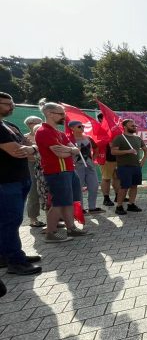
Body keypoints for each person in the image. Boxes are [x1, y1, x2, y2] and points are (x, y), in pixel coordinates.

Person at [0, 92, 42, 275]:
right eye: (7, 103)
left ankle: (8, 254)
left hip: (20, 178)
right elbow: (17, 151)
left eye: (12, 103)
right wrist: (31, 148)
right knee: (10, 221)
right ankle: (15, 262)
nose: (12, 106)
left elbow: (30, 147)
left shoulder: (9, 125)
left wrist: (31, 148)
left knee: (12, 220)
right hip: (5, 181)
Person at [34, 100, 88, 242]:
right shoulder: (43, 131)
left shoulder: (59, 133)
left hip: (69, 170)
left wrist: (69, 150)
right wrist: (71, 151)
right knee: (58, 203)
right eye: (61, 114)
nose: (64, 116)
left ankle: (71, 229)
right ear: (49, 114)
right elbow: (61, 153)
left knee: (68, 201)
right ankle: (50, 233)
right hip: (57, 172)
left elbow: (72, 149)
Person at [111, 118, 147, 216]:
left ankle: (131, 204)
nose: (134, 126)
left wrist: (143, 160)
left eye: (135, 125)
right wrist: (127, 151)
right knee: (124, 187)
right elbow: (113, 151)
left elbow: (146, 150)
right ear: (124, 127)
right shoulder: (119, 138)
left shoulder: (138, 138)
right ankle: (119, 206)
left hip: (136, 166)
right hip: (124, 167)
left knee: (134, 186)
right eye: (132, 125)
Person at [69, 120, 103, 214]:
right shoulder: (69, 139)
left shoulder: (88, 137)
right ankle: (80, 209)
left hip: (89, 166)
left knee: (94, 186)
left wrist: (93, 158)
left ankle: (92, 207)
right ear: (72, 128)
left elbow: (96, 148)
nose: (82, 128)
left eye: (83, 126)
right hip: (77, 166)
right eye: (79, 126)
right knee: (78, 187)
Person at [24, 115, 45, 227]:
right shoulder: (24, 138)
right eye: (35, 122)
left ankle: (54, 217)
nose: (39, 123)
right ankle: (33, 218)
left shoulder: (45, 136)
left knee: (49, 190)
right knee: (33, 191)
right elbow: (23, 154)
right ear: (29, 124)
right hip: (31, 166)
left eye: (40, 121)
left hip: (46, 165)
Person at [98, 113, 120, 207]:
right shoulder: (99, 130)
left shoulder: (115, 129)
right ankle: (106, 198)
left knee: (117, 178)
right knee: (106, 179)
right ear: (100, 120)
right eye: (105, 120)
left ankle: (118, 196)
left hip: (118, 158)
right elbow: (96, 143)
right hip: (106, 158)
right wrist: (107, 142)